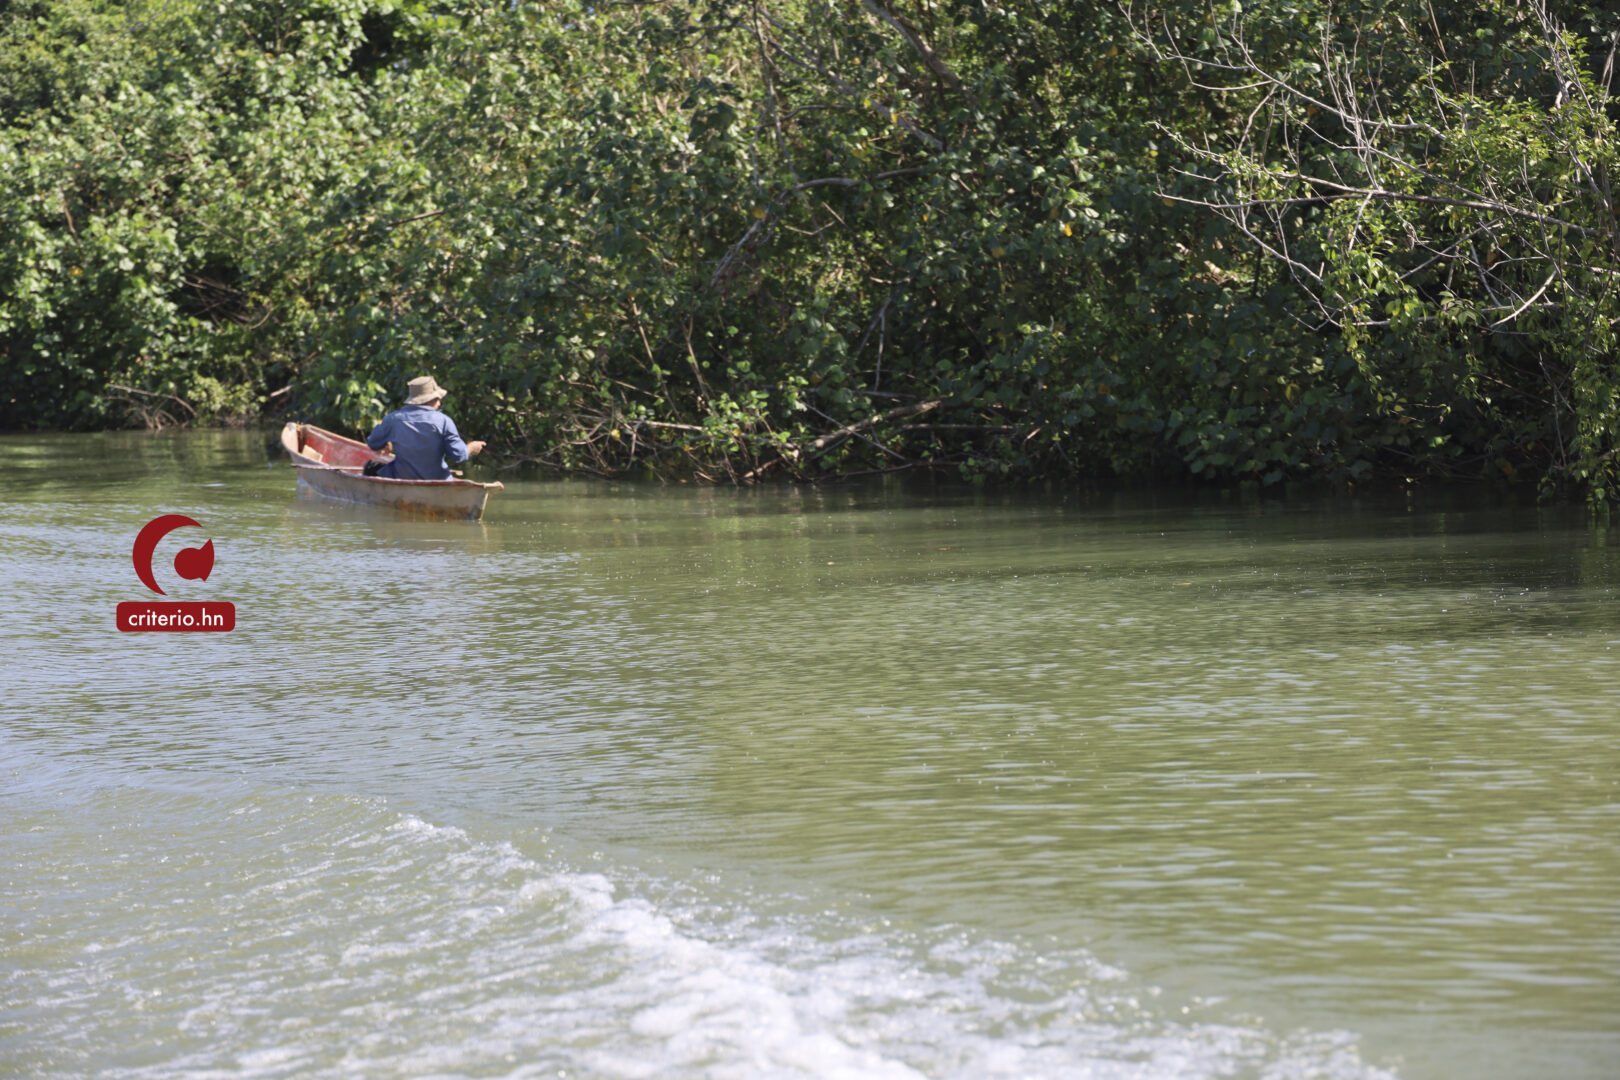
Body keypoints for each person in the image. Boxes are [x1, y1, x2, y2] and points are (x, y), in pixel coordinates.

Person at [365, 376, 486, 480]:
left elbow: (373, 443)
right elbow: (459, 456)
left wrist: (387, 443)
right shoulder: (444, 421)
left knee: (370, 467)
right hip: (437, 481)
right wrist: (470, 447)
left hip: (402, 479)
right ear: (432, 399)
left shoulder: (393, 419)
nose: (439, 403)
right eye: (438, 399)